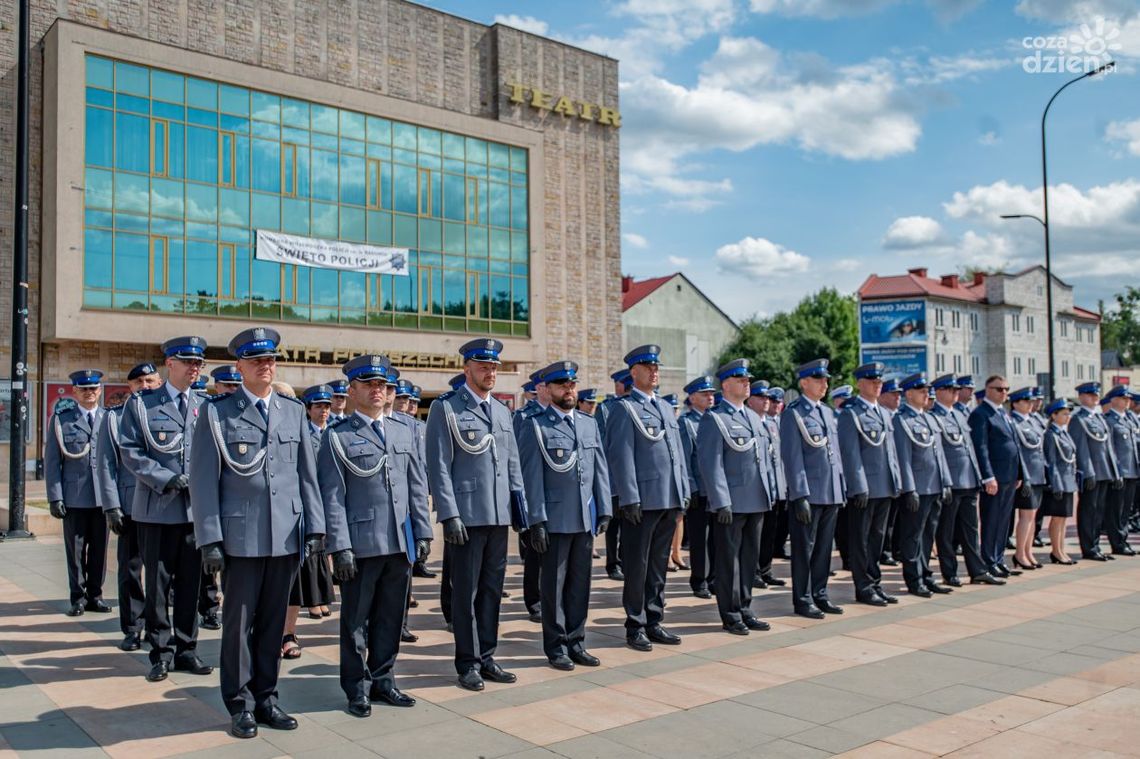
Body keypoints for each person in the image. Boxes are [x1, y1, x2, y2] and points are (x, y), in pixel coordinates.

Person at [189, 327, 325, 739]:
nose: (265, 366)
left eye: (270, 360)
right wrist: (209, 538)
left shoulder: (293, 410)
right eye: (256, 360)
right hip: (242, 537)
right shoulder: (218, 412)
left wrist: (316, 526)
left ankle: (267, 697)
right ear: (240, 366)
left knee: (272, 624)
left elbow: (307, 475)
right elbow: (203, 481)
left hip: (285, 534)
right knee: (238, 625)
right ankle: (241, 703)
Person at [319, 355, 430, 716]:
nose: (377, 390)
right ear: (352, 391)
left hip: (399, 540)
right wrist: (341, 545)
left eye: (382, 384)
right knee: (355, 622)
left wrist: (423, 531)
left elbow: (416, 484)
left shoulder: (403, 428)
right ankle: (357, 687)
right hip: (362, 544)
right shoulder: (338, 435)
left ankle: (384, 679)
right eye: (368, 384)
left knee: (390, 616)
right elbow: (332, 496)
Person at [425, 339, 525, 692]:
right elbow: (438, 465)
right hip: (467, 515)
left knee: (492, 591)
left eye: (494, 367)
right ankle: (467, 662)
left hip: (497, 516)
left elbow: (512, 462)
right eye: (483, 366)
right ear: (467, 368)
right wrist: (449, 514)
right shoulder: (446, 408)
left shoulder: (501, 411)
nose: (490, 372)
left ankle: (487, 656)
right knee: (465, 593)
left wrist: (519, 506)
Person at [117, 336, 214, 682]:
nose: (194, 369)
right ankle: (161, 652)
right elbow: (130, 451)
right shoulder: (142, 404)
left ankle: (187, 648)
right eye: (188, 362)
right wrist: (167, 478)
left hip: (194, 512)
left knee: (191, 583)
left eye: (199, 363)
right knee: (158, 585)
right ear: (169, 364)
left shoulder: (207, 405)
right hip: (157, 508)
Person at [518, 360, 611, 669]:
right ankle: (556, 647)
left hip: (583, 518)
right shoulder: (536, 424)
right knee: (553, 588)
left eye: (572, 385)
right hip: (555, 519)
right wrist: (538, 520)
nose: (569, 390)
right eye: (562, 385)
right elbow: (532, 477)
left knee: (580, 585)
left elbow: (599, 469)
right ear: (549, 390)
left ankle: (577, 641)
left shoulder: (587, 423)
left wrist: (604, 507)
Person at [605, 345, 690, 650]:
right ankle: (635, 624)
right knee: (638, 566)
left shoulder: (665, 408)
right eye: (647, 367)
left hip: (667, 497)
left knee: (657, 565)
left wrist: (682, 491)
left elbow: (676, 455)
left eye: (656, 368)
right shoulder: (623, 408)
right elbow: (621, 456)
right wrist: (628, 497)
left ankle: (655, 619)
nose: (654, 372)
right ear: (633, 372)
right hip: (642, 500)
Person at [697, 359, 773, 635]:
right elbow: (711, 463)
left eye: (747, 379)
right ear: (726, 385)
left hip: (755, 499)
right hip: (732, 502)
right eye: (741, 379)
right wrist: (720, 500)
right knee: (729, 561)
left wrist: (770, 491)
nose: (747, 383)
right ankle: (730, 614)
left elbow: (763, 460)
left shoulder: (753, 417)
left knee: (749, 558)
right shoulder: (714, 418)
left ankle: (745, 607)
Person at [96, 362, 162, 650]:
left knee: (161, 573)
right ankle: (133, 628)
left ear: (159, 382)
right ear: (129, 386)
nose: (144, 386)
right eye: (138, 382)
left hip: (163, 506)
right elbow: (106, 463)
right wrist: (111, 506)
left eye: (149, 381)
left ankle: (158, 628)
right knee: (130, 570)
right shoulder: (114, 418)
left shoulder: (169, 413)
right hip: (129, 505)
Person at [780, 359, 845, 619]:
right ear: (804, 382)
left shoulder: (827, 413)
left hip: (830, 492)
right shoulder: (793, 413)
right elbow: (793, 458)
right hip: (809, 493)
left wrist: (840, 488)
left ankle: (820, 594)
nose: (825, 384)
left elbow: (835, 455)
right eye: (819, 379)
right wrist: (800, 495)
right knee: (804, 549)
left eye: (826, 380)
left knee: (823, 548)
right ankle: (803, 598)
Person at [279, 384, 338, 660]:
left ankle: (288, 633)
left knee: (295, 583)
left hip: (303, 517)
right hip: (271, 518)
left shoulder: (319, 432)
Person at [837, 362, 902, 606]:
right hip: (865, 489)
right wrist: (859, 485)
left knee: (878, 538)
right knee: (861, 540)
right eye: (872, 381)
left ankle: (875, 582)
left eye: (879, 381)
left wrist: (896, 480)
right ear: (860, 384)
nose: (877, 385)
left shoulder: (884, 413)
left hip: (884, 485)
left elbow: (891, 452)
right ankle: (863, 587)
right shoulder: (850, 413)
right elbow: (850, 453)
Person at [46, 370, 111, 617]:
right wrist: (55, 496)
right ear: (74, 391)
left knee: (100, 550)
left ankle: (96, 595)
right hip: (74, 497)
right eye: (83, 388)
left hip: (103, 497)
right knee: (75, 550)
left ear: (100, 390)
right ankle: (78, 597)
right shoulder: (62, 420)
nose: (89, 392)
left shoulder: (108, 418)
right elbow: (53, 462)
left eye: (93, 388)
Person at [928, 375, 1003, 588]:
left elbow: (971, 449)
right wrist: (944, 481)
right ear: (939, 391)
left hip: (968, 480)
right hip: (952, 482)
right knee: (947, 531)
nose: (955, 393)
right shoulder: (934, 417)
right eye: (950, 389)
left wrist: (979, 475)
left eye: (956, 390)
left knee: (971, 529)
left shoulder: (961, 415)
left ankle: (977, 570)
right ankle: (949, 572)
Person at [969, 375, 1024, 578]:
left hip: (1009, 476)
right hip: (995, 477)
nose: (1004, 393)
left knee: (1004, 520)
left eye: (1006, 389)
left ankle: (999, 559)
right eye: (999, 389)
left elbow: (1014, 445)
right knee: (991, 520)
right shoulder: (981, 414)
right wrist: (987, 476)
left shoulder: (1004, 413)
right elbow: (981, 447)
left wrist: (1019, 473)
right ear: (988, 390)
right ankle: (989, 561)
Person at [1069, 382, 1121, 562]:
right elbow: (1081, 448)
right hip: (1092, 473)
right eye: (1090, 394)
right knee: (1089, 510)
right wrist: (1088, 472)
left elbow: (1109, 448)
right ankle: (1089, 547)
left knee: (1099, 511)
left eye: (1096, 394)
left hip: (1104, 471)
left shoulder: (1099, 418)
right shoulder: (1078, 419)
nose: (1095, 397)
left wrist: (1115, 472)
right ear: (1082, 397)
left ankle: (1096, 545)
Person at [513, 369, 548, 623]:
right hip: (532, 493)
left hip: (558, 497)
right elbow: (516, 458)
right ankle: (534, 600)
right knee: (534, 553)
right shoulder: (524, 417)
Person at [679, 375, 717, 599]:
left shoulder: (715, 419)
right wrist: (690, 487)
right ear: (692, 398)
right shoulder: (686, 423)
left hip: (716, 491)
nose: (710, 397)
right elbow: (685, 459)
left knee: (716, 538)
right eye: (705, 394)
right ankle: (700, 580)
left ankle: (714, 578)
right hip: (699, 490)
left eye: (712, 393)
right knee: (699, 538)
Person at [596, 368, 632, 581]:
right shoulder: (606, 408)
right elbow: (601, 441)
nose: (623, 387)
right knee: (614, 525)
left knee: (631, 524)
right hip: (613, 477)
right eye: (621, 383)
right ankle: (613, 563)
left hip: (634, 480)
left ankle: (627, 560)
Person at [1008, 387, 1047, 570]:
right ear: (1015, 403)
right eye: (1026, 401)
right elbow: (1019, 452)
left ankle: (1028, 551)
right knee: (1026, 516)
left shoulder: (1033, 421)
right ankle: (1020, 554)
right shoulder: (1014, 422)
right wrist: (1023, 475)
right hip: (1027, 475)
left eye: (1032, 402)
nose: (1031, 405)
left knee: (1033, 516)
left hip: (1037, 473)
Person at [756, 386, 788, 588]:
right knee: (757, 535)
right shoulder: (752, 422)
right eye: (763, 397)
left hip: (776, 486)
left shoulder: (773, 425)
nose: (769, 401)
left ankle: (765, 570)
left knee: (770, 532)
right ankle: (753, 572)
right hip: (760, 488)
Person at [1102, 385, 1138, 556]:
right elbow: (1110, 450)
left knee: (1126, 509)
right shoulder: (1109, 420)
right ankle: (1117, 543)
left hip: (1132, 470)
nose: (1127, 402)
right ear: (1114, 400)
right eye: (1124, 398)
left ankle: (1122, 540)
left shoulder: (1128, 420)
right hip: (1119, 472)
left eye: (1128, 399)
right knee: (1116, 509)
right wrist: (1115, 471)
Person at [1042, 399, 1079, 564]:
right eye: (1064, 414)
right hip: (1059, 482)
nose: (1067, 416)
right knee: (1057, 518)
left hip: (1068, 481)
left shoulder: (1063, 433)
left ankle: (1061, 550)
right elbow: (1051, 461)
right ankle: (1056, 551)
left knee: (1063, 518)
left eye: (1068, 413)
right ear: (1053, 415)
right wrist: (1056, 483)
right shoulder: (1051, 435)